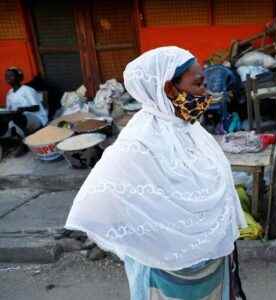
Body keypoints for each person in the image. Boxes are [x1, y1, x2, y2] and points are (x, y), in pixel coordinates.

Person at [65, 47, 247, 300]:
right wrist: (153, 236)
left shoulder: (193, 132)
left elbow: (221, 192)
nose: (206, 93)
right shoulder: (138, 142)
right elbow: (98, 204)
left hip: (212, 265)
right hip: (162, 277)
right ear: (169, 89)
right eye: (198, 84)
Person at [1, 67, 48, 156]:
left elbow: (36, 108)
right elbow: (9, 109)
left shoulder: (27, 90)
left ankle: (24, 144)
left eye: (11, 76)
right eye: (6, 76)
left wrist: (23, 109)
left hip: (36, 118)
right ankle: (6, 143)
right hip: (19, 118)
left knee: (17, 117)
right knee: (5, 118)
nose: (8, 78)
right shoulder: (9, 93)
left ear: (19, 78)